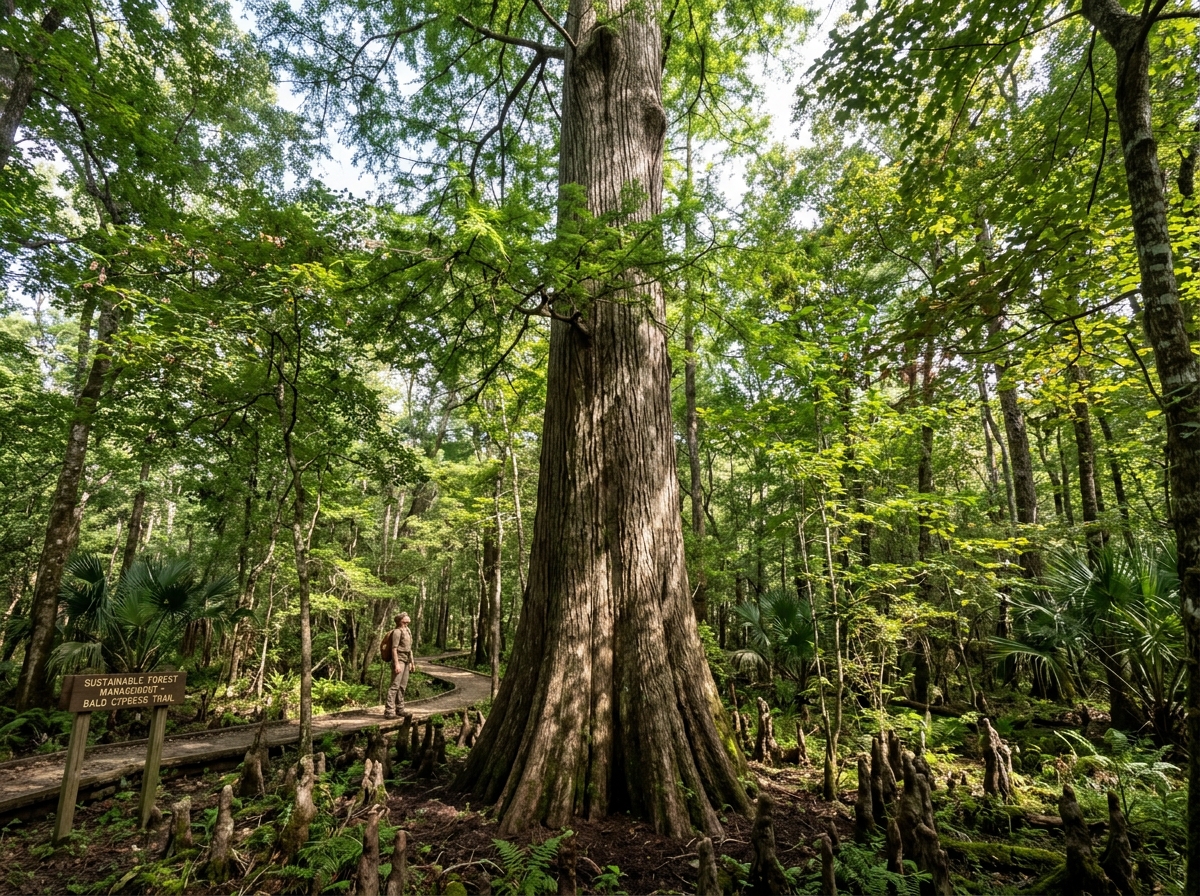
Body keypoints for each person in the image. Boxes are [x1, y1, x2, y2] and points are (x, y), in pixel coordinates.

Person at [384, 612, 416, 718]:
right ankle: (389, 711)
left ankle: (400, 709)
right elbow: (394, 649)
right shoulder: (397, 632)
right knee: (395, 686)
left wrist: (412, 662)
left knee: (402, 686)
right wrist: (397, 664)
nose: (408, 616)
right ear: (402, 620)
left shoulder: (408, 630)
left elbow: (409, 649)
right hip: (399, 660)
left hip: (406, 661)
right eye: (406, 615)